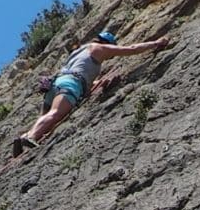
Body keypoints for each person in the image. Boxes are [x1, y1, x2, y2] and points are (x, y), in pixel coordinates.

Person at [13, 27, 170, 154]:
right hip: (71, 84)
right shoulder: (100, 48)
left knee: (47, 116)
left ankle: (26, 137)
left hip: (56, 83)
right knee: (56, 114)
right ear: (108, 43)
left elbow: (84, 81)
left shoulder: (81, 50)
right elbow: (132, 49)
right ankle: (32, 137)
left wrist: (98, 83)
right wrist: (155, 43)